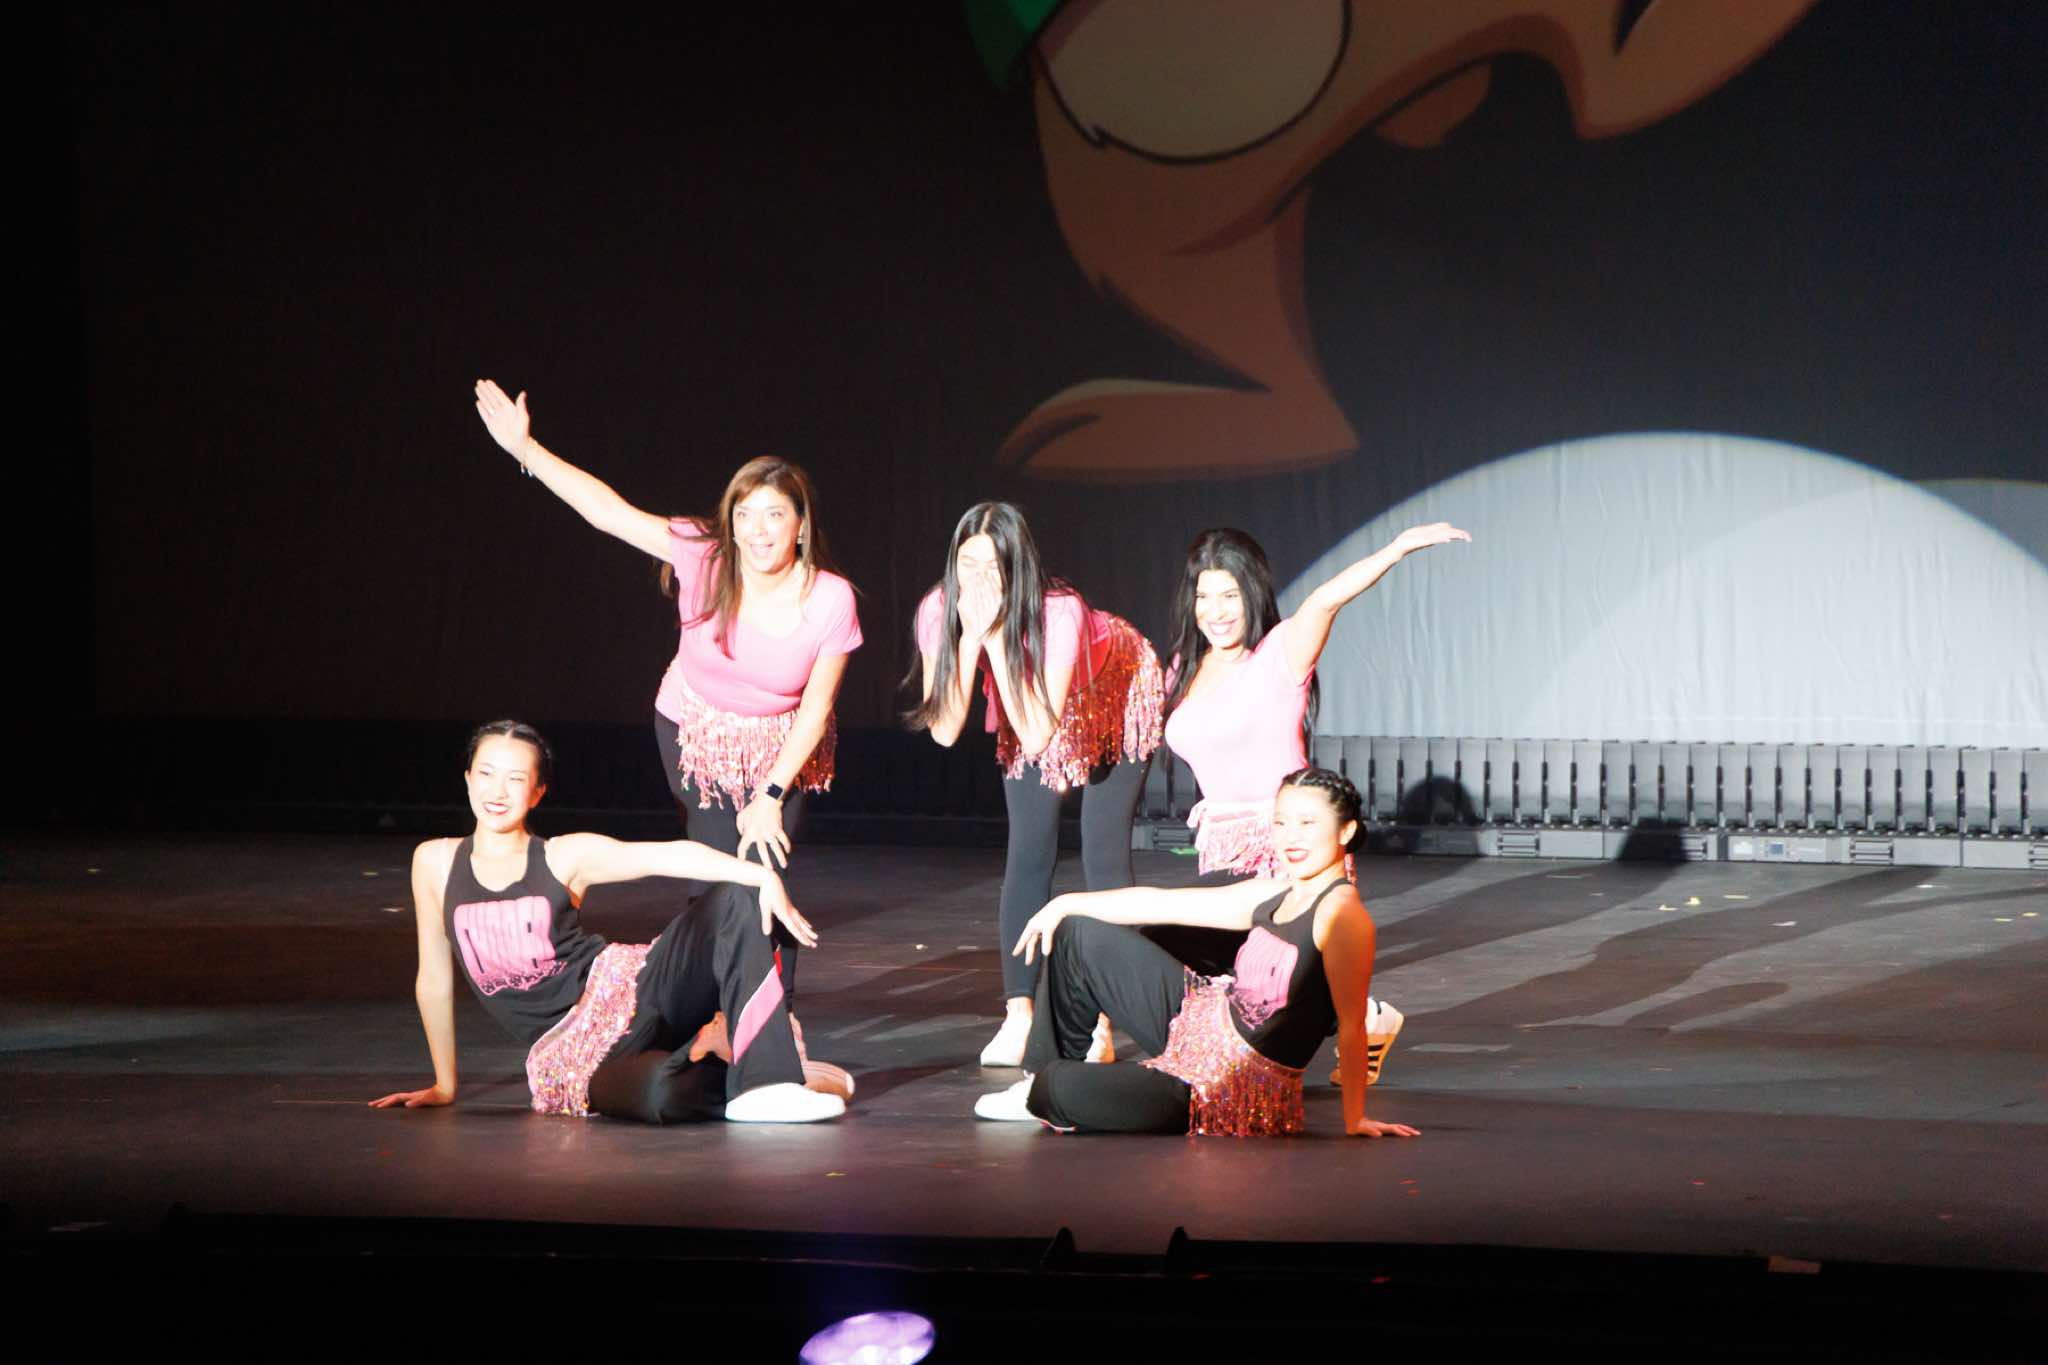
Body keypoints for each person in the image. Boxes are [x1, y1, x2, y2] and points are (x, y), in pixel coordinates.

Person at [370, 721, 847, 1125]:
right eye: (487, 774)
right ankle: (776, 1068)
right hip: (572, 1052)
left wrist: (762, 876)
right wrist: (445, 1085)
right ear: (468, 779)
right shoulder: (434, 862)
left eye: (515, 779)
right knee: (661, 1096)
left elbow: (665, 856)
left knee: (735, 897)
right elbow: (434, 979)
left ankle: (767, 1083)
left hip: (634, 989)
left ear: (537, 792)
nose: (498, 791)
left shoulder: (562, 856)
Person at [472, 380, 860, 873]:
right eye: (744, 514)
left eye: (774, 515)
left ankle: (740, 926)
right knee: (725, 870)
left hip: (783, 747)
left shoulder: (830, 597)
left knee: (762, 866)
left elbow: (817, 708)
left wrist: (770, 794)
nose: (757, 530)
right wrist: (525, 449)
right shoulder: (706, 555)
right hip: (694, 730)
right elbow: (608, 514)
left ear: (800, 527)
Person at [1158, 522, 1469, 1079]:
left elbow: (1327, 598)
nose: (1216, 611)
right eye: (1204, 596)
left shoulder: (1280, 652)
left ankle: (1351, 1024)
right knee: (1245, 967)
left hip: (1284, 841)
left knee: (1276, 967)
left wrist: (1396, 549)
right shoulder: (1185, 664)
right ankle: (1365, 1019)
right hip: (1222, 843)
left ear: (1252, 595)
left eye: (1230, 595)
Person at [975, 767, 1420, 1140]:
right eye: (1282, 823)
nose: (1291, 837)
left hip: (1222, 1089)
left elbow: (1351, 1026)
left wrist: (1355, 1119)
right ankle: (1034, 1080)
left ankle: (1046, 1088)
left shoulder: (1342, 916)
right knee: (1078, 933)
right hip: (1198, 1025)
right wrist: (1064, 903)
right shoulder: (1276, 892)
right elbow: (1162, 902)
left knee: (1058, 1088)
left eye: (1308, 824)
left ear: (1346, 830)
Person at [908, 502, 1163, 1066]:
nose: (978, 581)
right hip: (1028, 702)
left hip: (1111, 692)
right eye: (968, 565)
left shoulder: (1060, 611)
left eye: (994, 568)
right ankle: (1018, 1013)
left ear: (1018, 568)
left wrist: (998, 638)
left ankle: (1100, 1019)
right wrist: (969, 640)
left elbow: (1039, 733)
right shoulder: (938, 609)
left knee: (1102, 853)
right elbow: (944, 732)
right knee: (1027, 851)